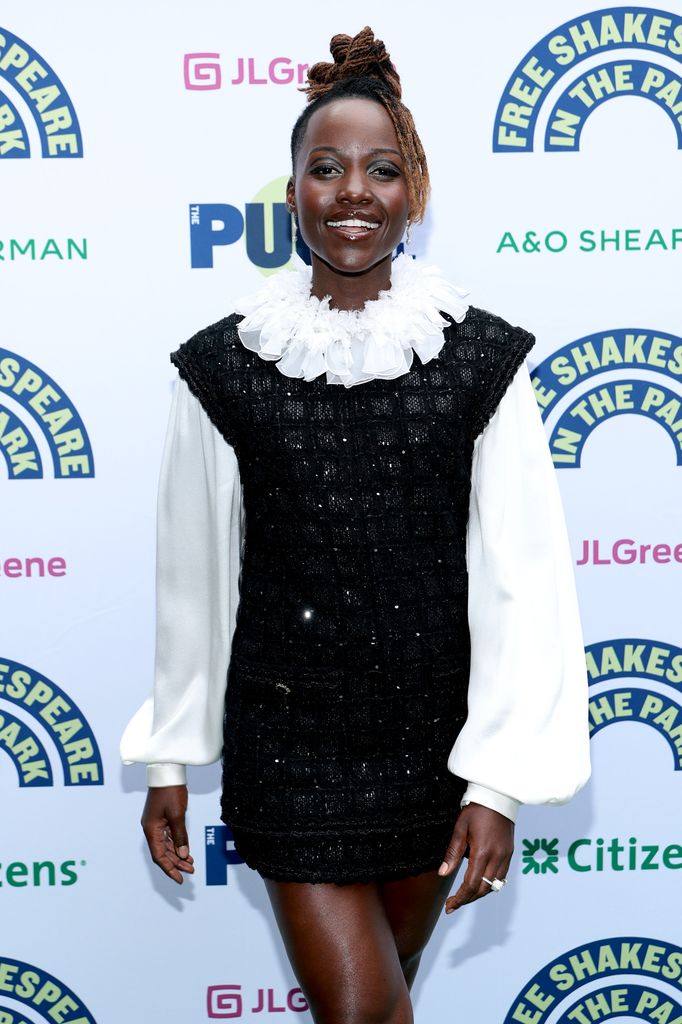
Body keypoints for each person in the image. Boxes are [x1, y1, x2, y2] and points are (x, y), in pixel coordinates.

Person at [121, 26, 590, 1024]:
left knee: (382, 1005)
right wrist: (170, 754)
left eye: (381, 170)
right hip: (289, 749)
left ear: (411, 193)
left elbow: (521, 576)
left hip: (435, 750)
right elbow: (193, 580)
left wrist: (497, 782)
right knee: (365, 1014)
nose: (352, 193)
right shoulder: (223, 367)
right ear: (289, 191)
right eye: (324, 168)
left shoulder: (484, 363)